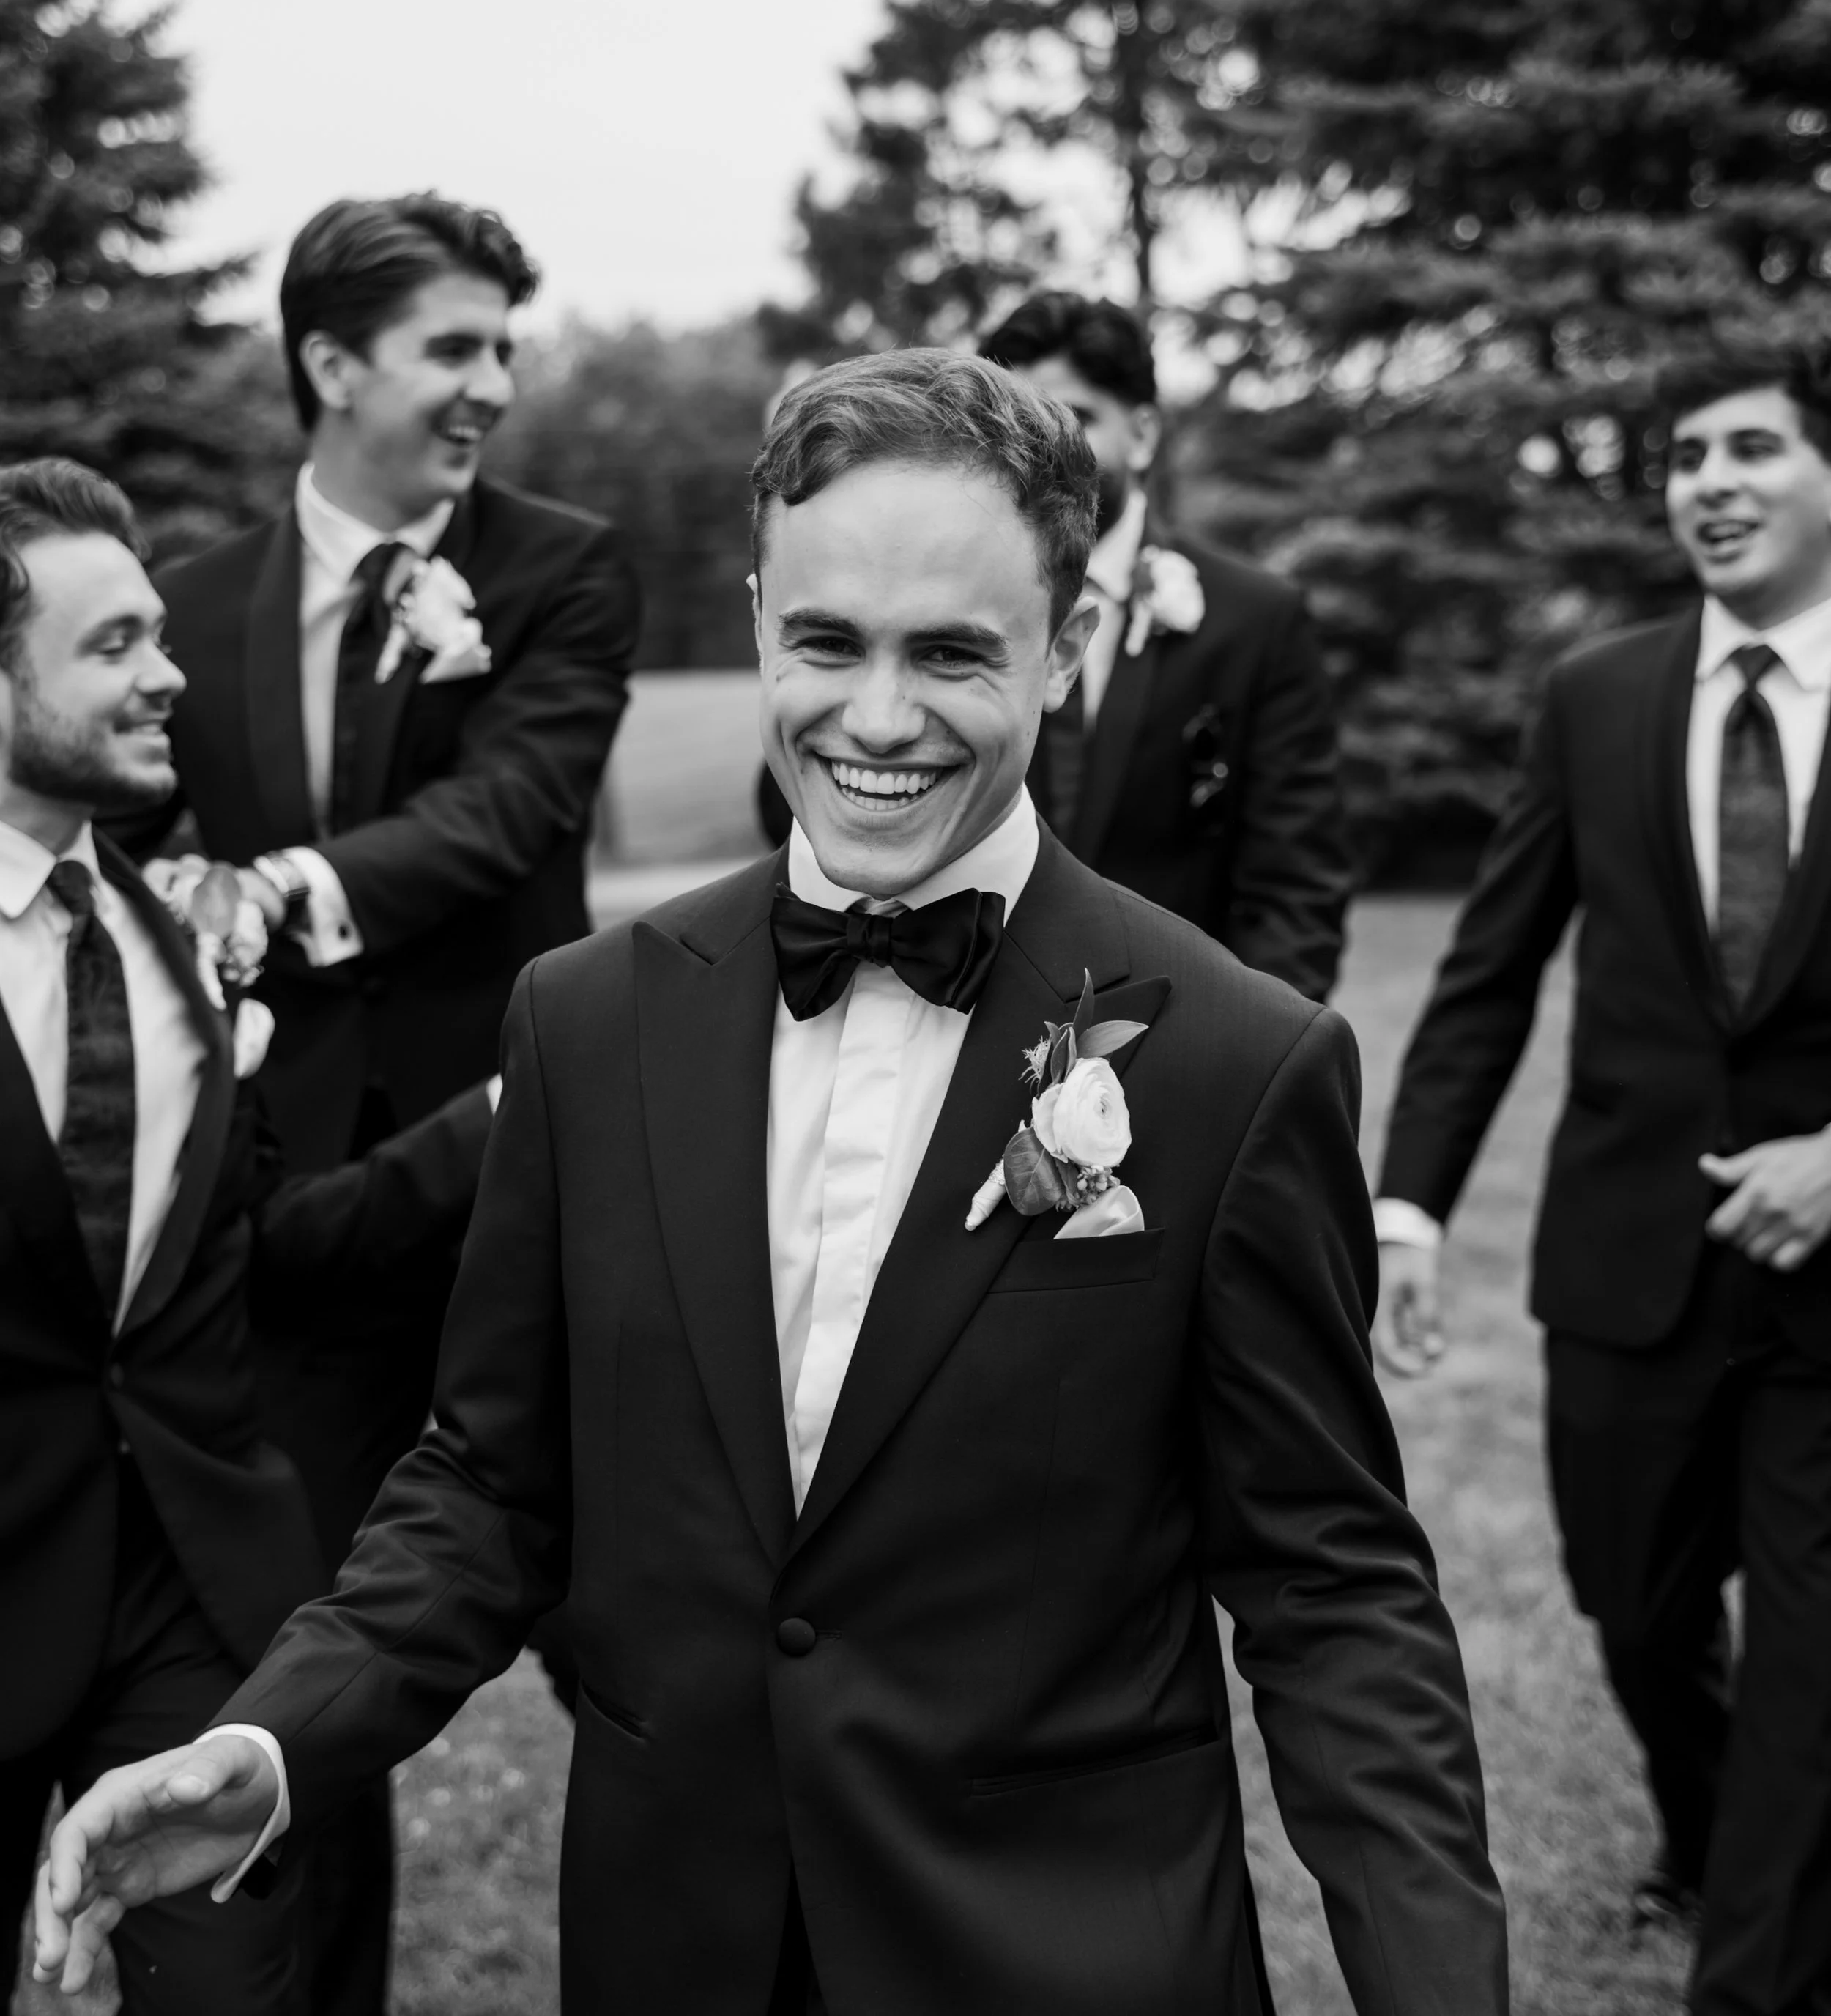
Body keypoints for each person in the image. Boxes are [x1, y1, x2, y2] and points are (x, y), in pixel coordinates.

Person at [38, 352, 1507, 2015]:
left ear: (1070, 646)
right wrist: (273, 1736)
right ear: (755, 622)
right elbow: (490, 1485)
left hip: (1067, 1954)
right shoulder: (587, 1023)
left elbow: (1333, 1591)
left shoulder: (1242, 1064)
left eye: (953, 651)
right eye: (828, 643)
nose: (879, 718)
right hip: (681, 1942)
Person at [109, 193, 639, 2013]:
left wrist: (274, 894)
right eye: (456, 347)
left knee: (653, 1652)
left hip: (542, 1187)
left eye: (509, 346)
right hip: (305, 1236)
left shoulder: (564, 567)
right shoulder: (190, 607)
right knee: (290, 1683)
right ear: (332, 365)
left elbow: (516, 808)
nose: (495, 383)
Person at [1369, 340, 1831, 2015]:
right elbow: (1491, 966)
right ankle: (1717, 1836)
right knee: (1633, 1607)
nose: (1708, 478)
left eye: (1753, 446)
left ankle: (1760, 1966)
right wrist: (1407, 1201)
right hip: (1628, 1256)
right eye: (1686, 453)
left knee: (1811, 1654)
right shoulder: (1601, 696)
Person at [0, 461, 495, 2015]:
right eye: (114, 644)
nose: (168, 674)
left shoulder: (180, 946)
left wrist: (495, 1122)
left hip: (192, 1587)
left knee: (240, 1991)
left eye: (162, 631)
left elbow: (258, 1252)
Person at [978, 289, 1352, 1001]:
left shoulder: (1256, 620)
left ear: (1143, 433)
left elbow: (1294, 890)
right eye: (1015, 424)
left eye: (1072, 417)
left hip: (1178, 1038)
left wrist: (1239, 1073)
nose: (1038, 451)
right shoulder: (943, 612)